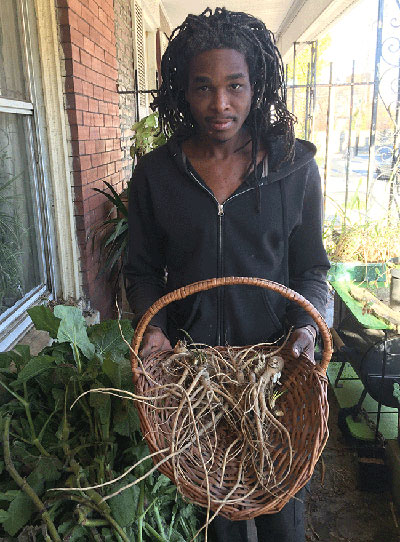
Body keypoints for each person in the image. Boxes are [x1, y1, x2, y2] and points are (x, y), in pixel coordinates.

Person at [124, 7, 330, 542]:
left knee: (284, 522)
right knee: (220, 529)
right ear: (182, 93)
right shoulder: (156, 176)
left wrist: (306, 331)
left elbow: (313, 269)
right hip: (198, 385)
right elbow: (143, 269)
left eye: (235, 85)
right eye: (203, 87)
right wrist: (155, 331)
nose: (220, 104)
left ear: (256, 83)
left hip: (274, 382)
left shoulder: (294, 169)